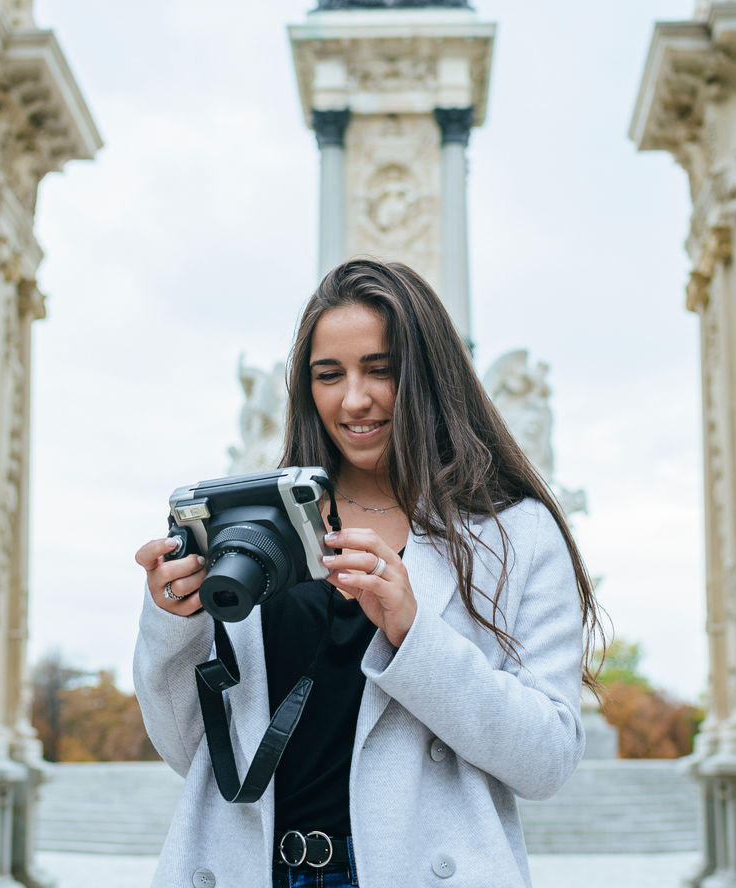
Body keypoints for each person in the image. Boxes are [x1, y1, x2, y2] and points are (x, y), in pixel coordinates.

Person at [134, 258, 603, 888]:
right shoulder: (251, 522)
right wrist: (174, 625)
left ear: (430, 374)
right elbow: (189, 751)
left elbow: (546, 761)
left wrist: (414, 634)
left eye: (380, 369)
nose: (354, 399)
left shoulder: (514, 532)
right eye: (329, 375)